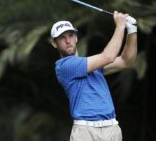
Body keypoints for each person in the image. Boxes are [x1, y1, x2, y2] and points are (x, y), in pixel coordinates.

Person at [50, 11, 137, 141]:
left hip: (112, 128)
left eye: (71, 35)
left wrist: (132, 30)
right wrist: (120, 27)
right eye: (62, 38)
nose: (68, 41)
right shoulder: (64, 67)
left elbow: (126, 61)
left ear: (76, 38)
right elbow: (108, 56)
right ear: (54, 43)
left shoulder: (92, 65)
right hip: (86, 131)